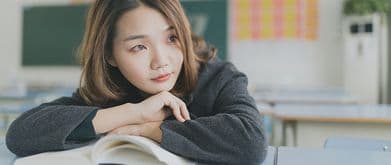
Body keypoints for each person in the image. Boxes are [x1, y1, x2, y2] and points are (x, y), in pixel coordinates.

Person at [6, 0, 267, 164]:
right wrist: (132, 113)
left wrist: (148, 130)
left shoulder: (217, 76)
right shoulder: (111, 90)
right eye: (140, 47)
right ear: (110, 55)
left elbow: (251, 142)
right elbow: (21, 134)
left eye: (172, 39)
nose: (161, 61)